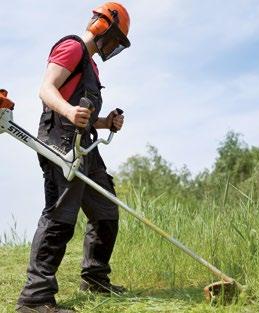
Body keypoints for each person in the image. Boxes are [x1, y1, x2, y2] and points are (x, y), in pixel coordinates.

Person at [16, 2, 131, 312]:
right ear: (103, 27)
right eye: (116, 38)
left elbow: (85, 117)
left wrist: (106, 122)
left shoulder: (92, 66)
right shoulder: (72, 47)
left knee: (106, 210)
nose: (114, 46)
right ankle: (35, 298)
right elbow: (46, 88)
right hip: (60, 142)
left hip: (86, 146)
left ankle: (95, 279)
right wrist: (67, 110)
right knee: (60, 216)